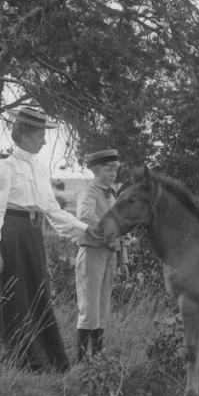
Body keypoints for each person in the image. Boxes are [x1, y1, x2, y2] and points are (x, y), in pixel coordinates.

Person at [0, 107, 98, 372]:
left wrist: (85, 227)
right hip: (8, 235)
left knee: (36, 293)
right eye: (40, 136)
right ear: (25, 136)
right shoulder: (4, 167)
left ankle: (42, 357)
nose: (44, 142)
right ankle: (14, 357)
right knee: (13, 296)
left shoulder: (41, 169)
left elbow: (52, 210)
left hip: (32, 235)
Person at [74, 149, 123, 361]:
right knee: (89, 306)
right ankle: (81, 361)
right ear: (96, 170)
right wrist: (109, 233)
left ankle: (97, 359)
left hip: (110, 254)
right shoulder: (90, 191)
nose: (113, 174)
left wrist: (123, 258)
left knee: (103, 306)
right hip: (92, 252)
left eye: (115, 170)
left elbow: (121, 226)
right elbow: (85, 215)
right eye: (108, 169)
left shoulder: (113, 194)